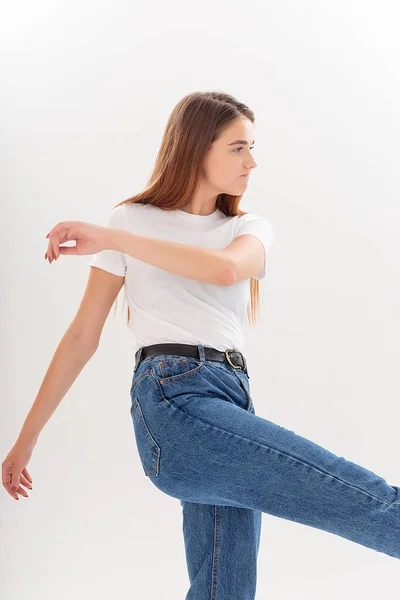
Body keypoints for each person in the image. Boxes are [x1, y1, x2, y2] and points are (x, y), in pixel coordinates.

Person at [3, 91, 400, 600]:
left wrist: (113, 240)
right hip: (173, 402)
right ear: (197, 147)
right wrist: (27, 438)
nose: (251, 162)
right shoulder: (128, 221)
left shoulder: (246, 229)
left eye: (252, 148)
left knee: (225, 590)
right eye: (238, 148)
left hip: (232, 398)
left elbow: (226, 269)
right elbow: (82, 337)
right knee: (353, 495)